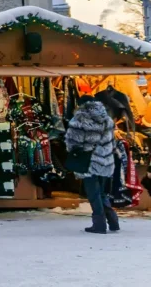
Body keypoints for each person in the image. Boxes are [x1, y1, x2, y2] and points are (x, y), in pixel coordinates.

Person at [65, 95, 119, 234]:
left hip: (89, 162)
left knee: (94, 194)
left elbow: (73, 142)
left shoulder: (80, 119)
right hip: (106, 161)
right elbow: (112, 141)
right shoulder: (106, 118)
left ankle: (99, 225)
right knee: (101, 193)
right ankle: (113, 222)